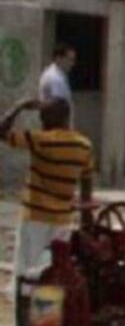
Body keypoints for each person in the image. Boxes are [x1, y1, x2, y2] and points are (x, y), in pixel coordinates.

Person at [0, 97, 92, 295]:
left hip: (35, 217)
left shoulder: (41, 140)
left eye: (42, 118)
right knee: (52, 273)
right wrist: (87, 220)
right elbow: (87, 183)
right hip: (63, 221)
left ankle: (25, 313)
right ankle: (47, 313)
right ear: (67, 118)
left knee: (28, 273)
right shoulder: (84, 145)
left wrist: (19, 107)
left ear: (46, 120)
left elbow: (2, 131)